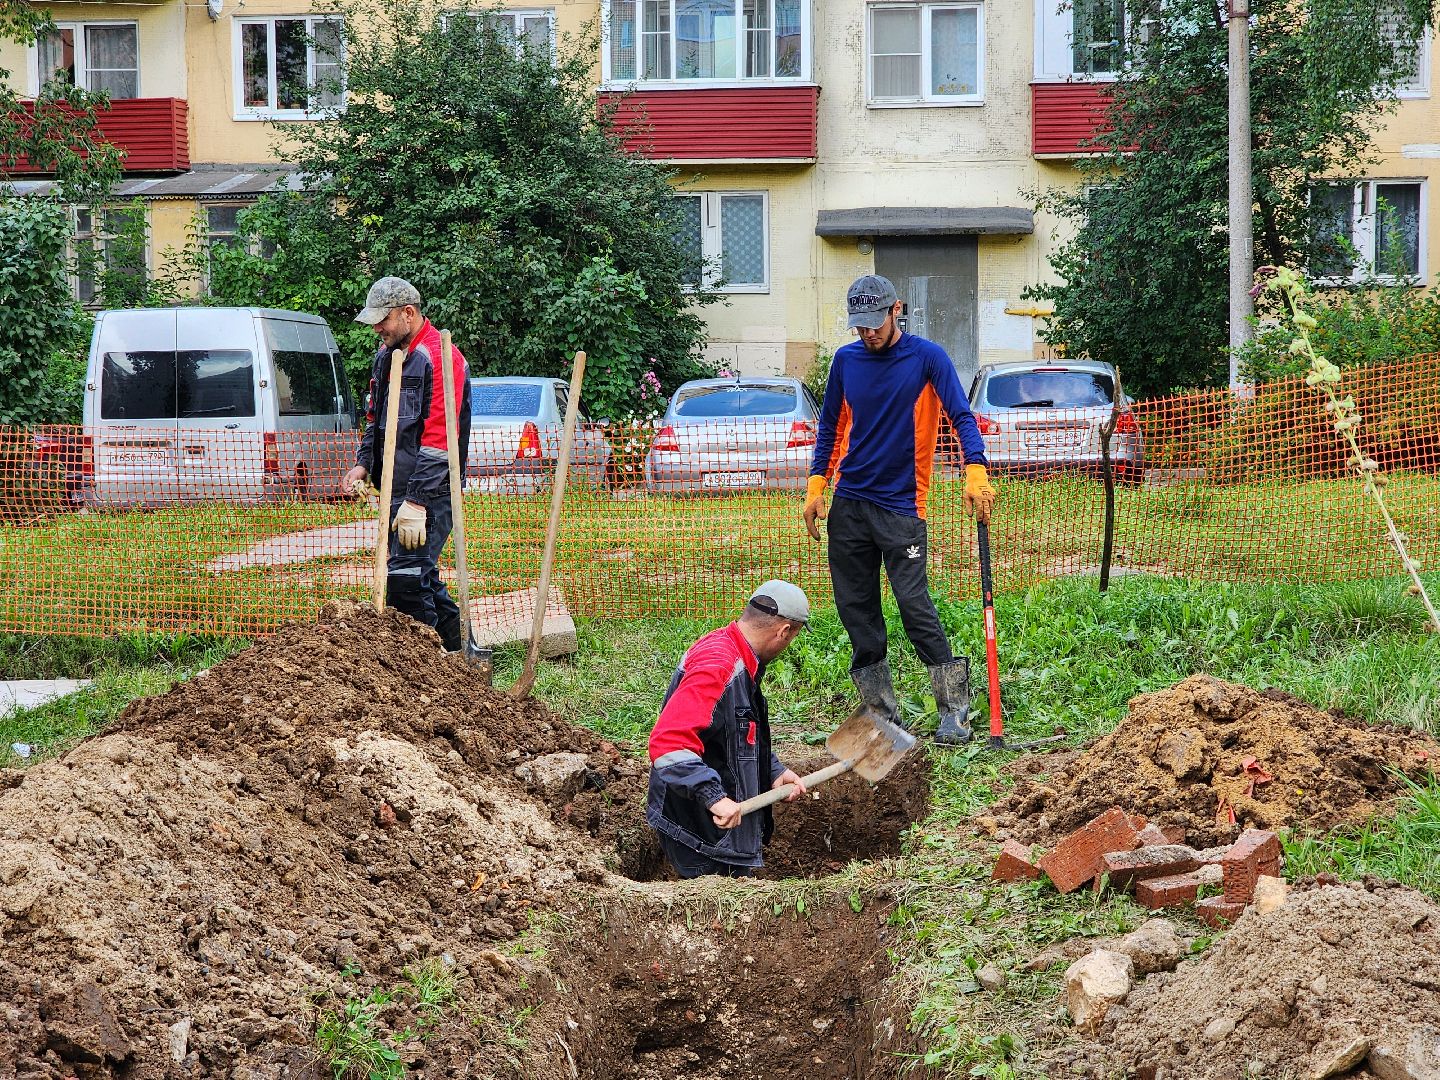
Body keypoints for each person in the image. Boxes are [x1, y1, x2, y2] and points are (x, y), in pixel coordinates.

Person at [803, 274, 997, 745]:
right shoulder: (846, 362)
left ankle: (954, 709)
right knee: (857, 610)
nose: (868, 333)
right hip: (850, 505)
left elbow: (960, 414)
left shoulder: (927, 357)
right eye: (860, 326)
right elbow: (829, 428)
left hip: (902, 507)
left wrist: (976, 470)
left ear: (897, 310)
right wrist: (816, 485)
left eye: (875, 323)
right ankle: (879, 714)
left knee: (914, 606)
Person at [646, 582, 812, 878]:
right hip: (703, 834)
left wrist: (772, 770)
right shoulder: (719, 668)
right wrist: (714, 797)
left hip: (711, 825)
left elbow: (734, 732)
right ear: (784, 631)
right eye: (793, 637)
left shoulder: (736, 652)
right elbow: (669, 743)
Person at [342, 276, 472, 651]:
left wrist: (417, 501)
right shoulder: (386, 357)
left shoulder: (442, 357)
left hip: (431, 493)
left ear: (408, 313)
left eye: (382, 320)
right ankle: (463, 652)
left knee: (405, 579)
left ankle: (427, 669)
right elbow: (375, 420)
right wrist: (363, 464)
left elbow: (438, 439)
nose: (376, 328)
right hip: (395, 488)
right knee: (420, 575)